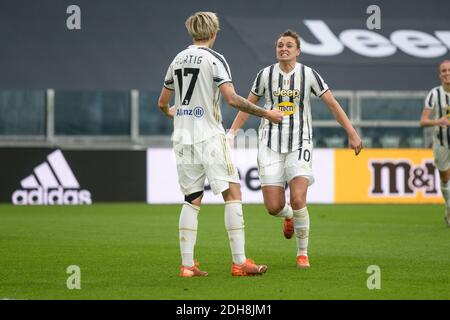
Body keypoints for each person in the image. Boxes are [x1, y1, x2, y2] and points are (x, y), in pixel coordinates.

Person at [158, 12, 284, 277]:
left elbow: (162, 103)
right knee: (233, 193)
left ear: (191, 33)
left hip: (182, 137)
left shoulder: (177, 59)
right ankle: (240, 263)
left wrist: (176, 114)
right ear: (213, 33)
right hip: (209, 136)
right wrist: (268, 113)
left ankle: (187, 265)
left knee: (192, 198)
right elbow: (232, 99)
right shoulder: (215, 59)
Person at [227, 29, 363, 268]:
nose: (283, 49)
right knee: (273, 207)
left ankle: (302, 254)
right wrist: (231, 134)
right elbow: (248, 105)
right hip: (269, 144)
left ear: (298, 51)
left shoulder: (308, 75)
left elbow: (331, 103)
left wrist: (352, 133)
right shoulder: (265, 75)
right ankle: (288, 215)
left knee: (299, 197)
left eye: (289, 45)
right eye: (280, 45)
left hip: (300, 143)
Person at [420, 59, 450, 227]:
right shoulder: (434, 94)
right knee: (445, 179)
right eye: (444, 71)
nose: (447, 73)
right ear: (440, 75)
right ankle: (449, 207)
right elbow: (423, 121)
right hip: (442, 143)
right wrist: (438, 121)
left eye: (449, 70)